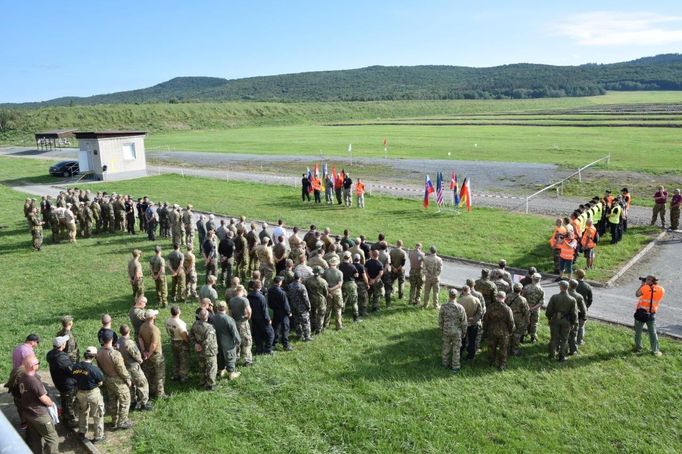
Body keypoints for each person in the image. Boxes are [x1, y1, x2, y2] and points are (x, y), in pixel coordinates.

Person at [18, 355, 59, 452]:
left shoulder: (22, 377)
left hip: (29, 414)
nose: (39, 364)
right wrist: (51, 403)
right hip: (39, 415)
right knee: (52, 438)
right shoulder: (33, 381)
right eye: (38, 363)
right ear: (32, 366)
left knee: (36, 438)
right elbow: (44, 399)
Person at [97, 331, 133, 430]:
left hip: (107, 379)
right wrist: (128, 379)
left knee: (112, 400)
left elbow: (100, 367)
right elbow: (121, 369)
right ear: (112, 339)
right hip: (117, 380)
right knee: (125, 399)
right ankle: (123, 421)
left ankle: (114, 421)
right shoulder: (115, 354)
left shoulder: (99, 352)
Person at [72, 347, 105, 443]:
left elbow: (74, 377)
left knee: (83, 412)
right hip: (93, 393)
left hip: (80, 393)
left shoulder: (75, 366)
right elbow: (100, 382)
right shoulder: (94, 369)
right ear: (94, 357)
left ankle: (82, 432)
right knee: (97, 414)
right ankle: (98, 436)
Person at [118, 324, 152, 411]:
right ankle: (144, 403)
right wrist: (140, 360)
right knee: (142, 383)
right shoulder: (129, 343)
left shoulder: (118, 341)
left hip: (124, 367)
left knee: (130, 385)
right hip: (133, 367)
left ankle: (133, 401)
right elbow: (136, 355)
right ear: (129, 331)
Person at [46, 335, 77, 428]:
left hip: (58, 381)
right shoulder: (62, 358)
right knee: (69, 402)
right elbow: (71, 371)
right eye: (65, 342)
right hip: (66, 383)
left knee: (64, 399)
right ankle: (70, 421)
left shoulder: (50, 354)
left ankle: (64, 416)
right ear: (62, 344)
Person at [545, 281, 578, 362]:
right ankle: (561, 356)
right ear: (568, 287)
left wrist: (550, 318)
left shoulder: (554, 297)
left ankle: (552, 355)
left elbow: (549, 310)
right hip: (566, 321)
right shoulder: (572, 300)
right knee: (564, 339)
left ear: (560, 287)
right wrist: (573, 323)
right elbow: (574, 314)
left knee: (554, 338)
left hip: (555, 320)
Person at [482, 291, 515, 371]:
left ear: (496, 297)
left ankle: (491, 362)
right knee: (503, 349)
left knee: (491, 347)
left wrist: (485, 330)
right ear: (505, 298)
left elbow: (485, 319)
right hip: (503, 332)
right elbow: (511, 322)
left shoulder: (490, 307)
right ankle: (502, 365)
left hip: (492, 330)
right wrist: (511, 331)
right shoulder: (507, 309)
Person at [633, 275, 665, 356]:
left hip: (641, 313)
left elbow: (637, 294)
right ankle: (655, 350)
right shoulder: (661, 289)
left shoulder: (645, 287)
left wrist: (642, 285)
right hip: (651, 314)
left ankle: (638, 348)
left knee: (638, 331)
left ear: (651, 281)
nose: (646, 280)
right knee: (653, 333)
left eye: (647, 279)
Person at [138, 309, 166, 399]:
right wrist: (149, 353)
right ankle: (160, 394)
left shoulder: (142, 326)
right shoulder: (154, 329)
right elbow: (154, 344)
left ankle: (150, 390)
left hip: (146, 353)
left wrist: (143, 351)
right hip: (155, 354)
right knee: (159, 374)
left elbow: (140, 338)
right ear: (153, 317)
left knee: (149, 372)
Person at [439, 289, 468, 373]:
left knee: (446, 347)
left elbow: (440, 320)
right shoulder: (460, 307)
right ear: (456, 296)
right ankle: (455, 366)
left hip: (446, 330)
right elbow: (464, 321)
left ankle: (445, 363)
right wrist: (464, 332)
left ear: (449, 295)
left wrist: (441, 329)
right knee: (456, 349)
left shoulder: (444, 306)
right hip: (457, 331)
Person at [191, 309, 219, 390]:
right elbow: (208, 341)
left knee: (202, 366)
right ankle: (210, 384)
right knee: (211, 367)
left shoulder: (195, 324)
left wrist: (196, 344)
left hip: (199, 350)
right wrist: (201, 346)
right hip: (209, 351)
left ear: (199, 316)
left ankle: (202, 381)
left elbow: (191, 335)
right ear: (207, 317)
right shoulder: (209, 327)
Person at [213, 301, 241, 380]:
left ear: (217, 308)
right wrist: (238, 341)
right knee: (230, 357)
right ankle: (231, 374)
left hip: (216, 341)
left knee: (220, 356)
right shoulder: (229, 319)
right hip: (227, 343)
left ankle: (221, 371)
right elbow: (234, 332)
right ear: (226, 308)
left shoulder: (212, 318)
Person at [228, 285, 253, 366]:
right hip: (243, 323)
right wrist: (247, 317)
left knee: (236, 340)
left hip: (234, 322)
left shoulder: (231, 300)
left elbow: (230, 312)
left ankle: (236, 356)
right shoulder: (244, 300)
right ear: (242, 291)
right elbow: (249, 311)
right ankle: (247, 359)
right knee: (246, 340)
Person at [248, 280, 275, 354]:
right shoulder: (261, 297)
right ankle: (268, 350)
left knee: (257, 334)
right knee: (271, 334)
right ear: (260, 287)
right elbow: (264, 310)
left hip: (254, 318)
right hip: (262, 319)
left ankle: (259, 349)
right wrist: (268, 319)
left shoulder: (249, 295)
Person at [164, 306, 190, 383]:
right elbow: (184, 335)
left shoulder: (167, 321)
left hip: (173, 340)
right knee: (183, 360)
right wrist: (188, 341)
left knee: (176, 359)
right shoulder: (180, 323)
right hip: (181, 342)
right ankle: (183, 377)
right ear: (178, 312)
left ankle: (175, 375)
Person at [457, 286, 483, 361]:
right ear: (470, 291)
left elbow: (457, 314)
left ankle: (459, 355)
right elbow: (480, 312)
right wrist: (474, 319)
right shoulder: (477, 300)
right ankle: (471, 357)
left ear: (463, 291)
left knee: (462, 340)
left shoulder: (459, 301)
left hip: (463, 324)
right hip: (473, 324)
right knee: (472, 341)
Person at [268, 277, 293, 350]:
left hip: (275, 310)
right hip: (283, 312)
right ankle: (286, 345)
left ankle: (274, 342)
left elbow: (269, 302)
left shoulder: (270, 290)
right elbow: (285, 304)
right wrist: (289, 312)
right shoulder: (282, 292)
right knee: (285, 328)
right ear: (280, 282)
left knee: (275, 327)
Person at [286, 272, 313, 341]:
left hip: (293, 306)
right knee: (305, 322)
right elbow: (305, 298)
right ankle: (307, 336)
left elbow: (288, 296)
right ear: (300, 278)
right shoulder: (302, 286)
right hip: (302, 307)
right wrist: (309, 306)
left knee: (297, 321)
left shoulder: (289, 286)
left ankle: (299, 335)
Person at [506, 283, 529, 356]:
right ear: (521, 290)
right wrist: (527, 320)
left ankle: (507, 349)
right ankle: (514, 351)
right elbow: (526, 311)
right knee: (517, 334)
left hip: (508, 317)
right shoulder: (523, 299)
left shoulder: (508, 296)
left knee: (508, 333)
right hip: (518, 319)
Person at [521, 273, 544, 343]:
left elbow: (522, 298)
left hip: (526, 308)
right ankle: (533, 337)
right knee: (534, 323)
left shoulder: (526, 287)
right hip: (536, 309)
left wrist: (528, 307)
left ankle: (522, 336)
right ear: (539, 280)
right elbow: (541, 301)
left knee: (525, 322)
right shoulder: (541, 289)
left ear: (532, 279)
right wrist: (534, 308)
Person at [323, 256, 345, 330]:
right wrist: (333, 289)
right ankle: (338, 326)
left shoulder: (325, 272)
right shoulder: (340, 272)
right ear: (336, 263)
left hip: (328, 292)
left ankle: (326, 324)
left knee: (328, 308)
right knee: (338, 309)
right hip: (337, 292)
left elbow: (324, 283)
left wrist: (329, 289)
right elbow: (340, 284)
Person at [567, 280, 588, 356]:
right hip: (575, 317)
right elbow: (583, 309)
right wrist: (584, 317)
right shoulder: (579, 296)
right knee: (573, 334)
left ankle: (561, 348)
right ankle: (573, 350)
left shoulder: (565, 294)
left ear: (569, 285)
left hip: (565, 316)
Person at [574, 269, 593, 345]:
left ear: (577, 275)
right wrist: (586, 306)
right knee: (581, 325)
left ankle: (572, 340)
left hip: (573, 308)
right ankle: (580, 341)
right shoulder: (587, 286)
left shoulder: (572, 284)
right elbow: (590, 299)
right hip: (583, 309)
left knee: (573, 324)